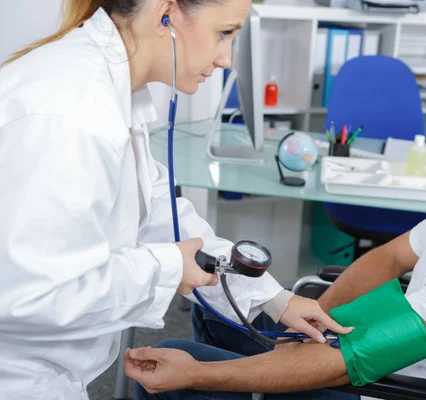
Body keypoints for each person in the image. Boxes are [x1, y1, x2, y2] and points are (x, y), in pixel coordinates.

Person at [125, 61, 426, 400]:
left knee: (178, 358)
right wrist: (310, 322)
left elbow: (345, 367)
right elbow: (390, 258)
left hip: (383, 388)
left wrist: (197, 374)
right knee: (215, 300)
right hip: (377, 349)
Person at [0, 1, 352, 399]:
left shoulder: (107, 90)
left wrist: (273, 298)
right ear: (166, 13)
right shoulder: (71, 112)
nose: (226, 59)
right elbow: (32, 294)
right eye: (224, 33)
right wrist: (166, 268)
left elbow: (161, 216)